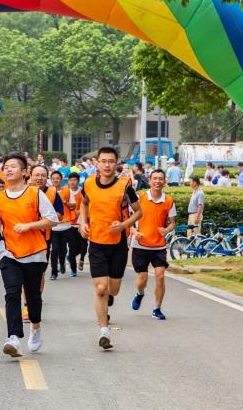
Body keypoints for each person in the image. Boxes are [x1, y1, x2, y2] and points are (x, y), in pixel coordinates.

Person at [0, 153, 58, 357]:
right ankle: (14, 337)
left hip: (34, 253)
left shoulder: (34, 193)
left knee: (33, 296)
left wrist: (28, 226)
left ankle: (35, 327)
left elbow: (52, 220)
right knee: (12, 292)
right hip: (9, 253)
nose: (8, 169)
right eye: (5, 166)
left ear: (24, 172)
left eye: (13, 166)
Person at [78, 147, 142, 350]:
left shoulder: (124, 186)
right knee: (100, 288)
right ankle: (104, 330)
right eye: (103, 161)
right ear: (96, 163)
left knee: (113, 289)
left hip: (118, 245)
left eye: (111, 161)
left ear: (116, 164)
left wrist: (124, 225)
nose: (107, 165)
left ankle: (109, 298)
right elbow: (84, 203)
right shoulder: (88, 183)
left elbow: (139, 211)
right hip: (96, 242)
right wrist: (82, 222)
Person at [130, 169, 176, 320]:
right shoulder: (140, 197)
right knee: (142, 279)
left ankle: (157, 309)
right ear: (149, 181)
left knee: (160, 276)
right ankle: (139, 294)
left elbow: (172, 223)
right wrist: (134, 232)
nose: (157, 181)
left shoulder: (169, 200)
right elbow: (128, 219)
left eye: (160, 179)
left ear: (164, 181)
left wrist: (166, 230)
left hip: (159, 246)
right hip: (140, 245)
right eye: (154, 178)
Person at [49, 170, 71, 280]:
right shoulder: (48, 191)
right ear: (51, 179)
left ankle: (62, 263)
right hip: (53, 226)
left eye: (57, 178)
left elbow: (72, 205)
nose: (55, 180)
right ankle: (54, 272)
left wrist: (64, 201)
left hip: (65, 225)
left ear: (61, 179)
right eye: (53, 178)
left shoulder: (67, 190)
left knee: (63, 250)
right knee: (54, 249)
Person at [63, 172, 85, 276]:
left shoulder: (82, 191)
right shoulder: (65, 191)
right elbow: (63, 204)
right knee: (72, 247)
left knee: (81, 247)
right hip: (69, 224)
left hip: (81, 223)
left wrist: (78, 209)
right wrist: (71, 206)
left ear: (78, 181)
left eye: (74, 180)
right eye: (70, 180)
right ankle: (73, 270)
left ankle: (70, 257)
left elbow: (85, 204)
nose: (72, 182)